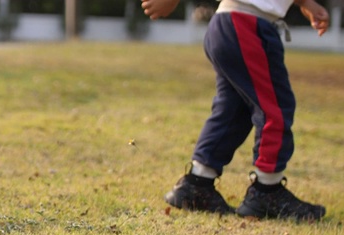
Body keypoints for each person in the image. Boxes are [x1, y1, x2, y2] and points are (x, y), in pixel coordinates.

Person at [141, 0, 329, 221]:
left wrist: (306, 3)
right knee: (275, 107)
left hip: (229, 23)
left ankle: (197, 183)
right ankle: (267, 191)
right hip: (247, 25)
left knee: (234, 109)